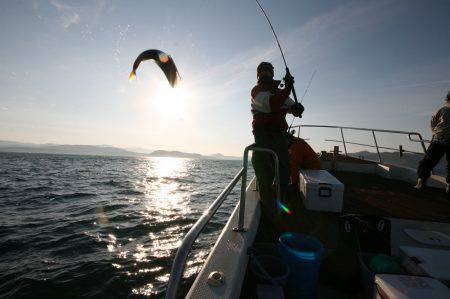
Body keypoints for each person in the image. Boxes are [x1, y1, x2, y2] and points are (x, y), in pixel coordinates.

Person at [250, 62, 304, 219]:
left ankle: (281, 203)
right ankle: (269, 211)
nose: (266, 73)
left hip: (280, 137)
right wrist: (287, 87)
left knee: (283, 171)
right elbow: (272, 105)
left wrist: (297, 109)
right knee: (264, 173)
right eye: (262, 71)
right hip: (263, 137)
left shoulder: (281, 93)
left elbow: (293, 109)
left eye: (268, 70)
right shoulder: (256, 92)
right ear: (258, 75)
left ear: (272, 74)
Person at [415, 91, 450, 194]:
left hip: (439, 140)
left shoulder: (442, 110)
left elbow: (432, 124)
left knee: (427, 162)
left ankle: (421, 182)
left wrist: (437, 132)